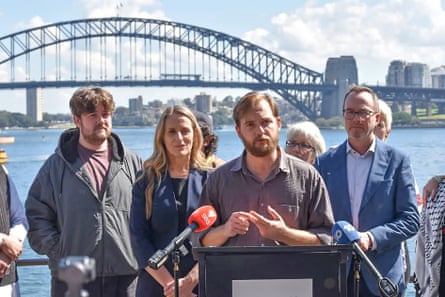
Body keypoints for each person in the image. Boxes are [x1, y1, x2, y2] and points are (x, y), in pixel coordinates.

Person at [25, 87, 143, 297]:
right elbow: (36, 215)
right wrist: (60, 251)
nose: (101, 120)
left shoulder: (132, 163)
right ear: (77, 120)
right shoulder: (56, 166)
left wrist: (139, 251)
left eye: (105, 115)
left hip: (126, 273)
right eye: (93, 115)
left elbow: (148, 213)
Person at [315, 85, 420, 297]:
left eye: (363, 112)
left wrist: (370, 238)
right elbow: (315, 220)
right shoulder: (323, 164)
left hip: (381, 277)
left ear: (377, 118)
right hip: (335, 278)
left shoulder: (398, 161)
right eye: (350, 112)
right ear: (343, 116)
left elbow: (411, 220)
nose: (356, 119)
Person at [196, 91, 334, 249]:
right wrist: (226, 230)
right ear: (238, 131)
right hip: (236, 274)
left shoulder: (308, 177)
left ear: (279, 123)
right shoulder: (218, 180)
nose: (260, 131)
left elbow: (327, 239)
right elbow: (201, 240)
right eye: (250, 125)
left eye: (266, 122)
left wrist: (285, 234)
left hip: (292, 274)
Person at [130, 105, 209, 297]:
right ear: (162, 138)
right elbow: (138, 238)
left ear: (195, 135)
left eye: (185, 131)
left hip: (199, 286)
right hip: (155, 286)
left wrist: (188, 283)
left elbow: (218, 240)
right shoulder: (146, 181)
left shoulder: (211, 179)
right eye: (172, 132)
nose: (179, 138)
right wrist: (172, 286)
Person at [0, 164, 28, 297]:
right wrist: (2, 242)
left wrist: (9, 250)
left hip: (7, 283)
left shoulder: (2, 171)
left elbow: (20, 219)